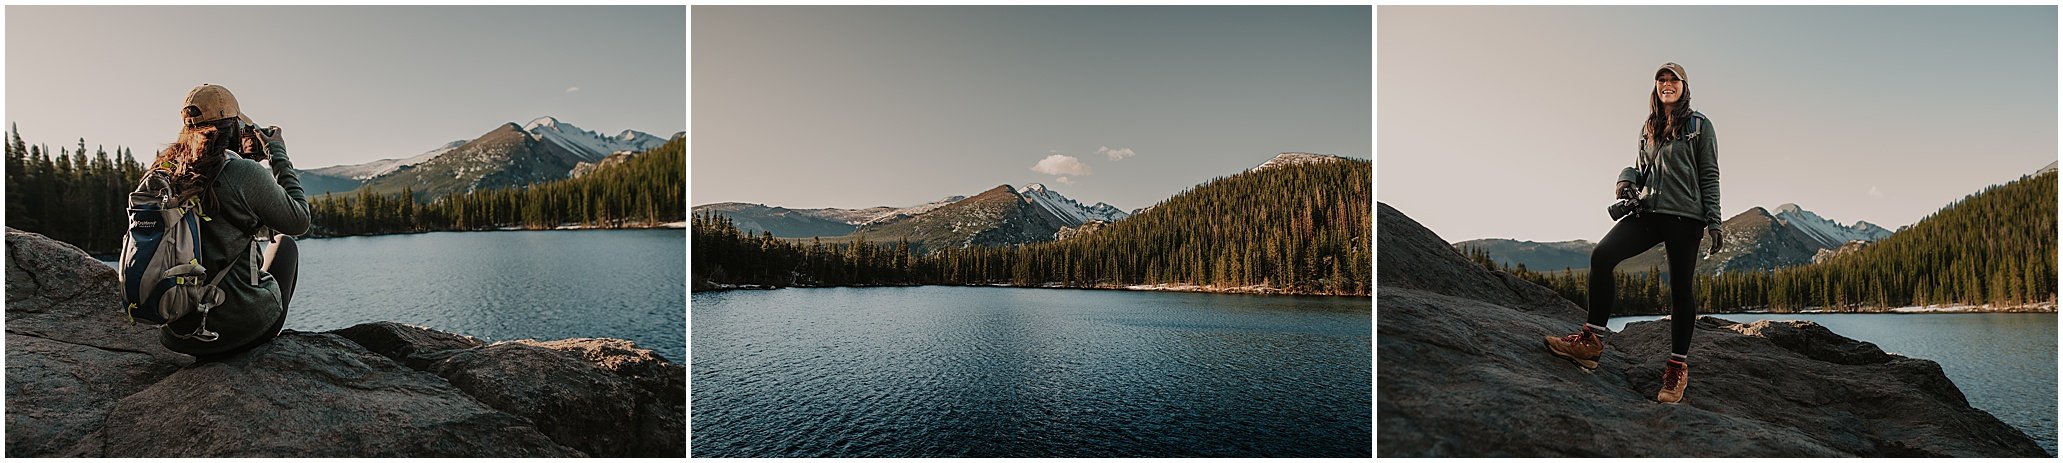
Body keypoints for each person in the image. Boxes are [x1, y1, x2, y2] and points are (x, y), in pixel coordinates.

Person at [1543, 62, 1723, 404]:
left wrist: (1714, 220)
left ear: (1685, 86)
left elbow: (1709, 173)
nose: (1667, 84)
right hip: (1649, 211)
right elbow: (1642, 168)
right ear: (1656, 86)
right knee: (1602, 255)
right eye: (1661, 79)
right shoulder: (1649, 125)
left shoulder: (1700, 125)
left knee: (1681, 290)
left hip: (1686, 218)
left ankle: (1676, 369)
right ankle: (1591, 344)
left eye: (1674, 80)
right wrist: (1625, 180)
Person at [149, 83, 309, 358]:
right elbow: (299, 220)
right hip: (239, 331)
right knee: (285, 244)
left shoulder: (163, 173)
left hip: (179, 333)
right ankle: (260, 334)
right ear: (233, 125)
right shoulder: (241, 173)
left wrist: (245, 161)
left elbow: (217, 184)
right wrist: (277, 155)